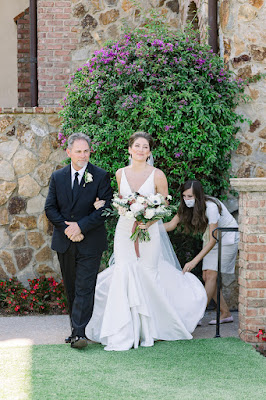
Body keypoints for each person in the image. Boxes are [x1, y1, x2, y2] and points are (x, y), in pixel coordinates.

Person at [85, 132, 207, 351]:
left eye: (145, 147)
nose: (141, 150)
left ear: (149, 152)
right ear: (130, 149)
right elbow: (120, 202)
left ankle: (152, 329)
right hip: (125, 230)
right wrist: (126, 210)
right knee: (124, 272)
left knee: (149, 274)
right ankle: (124, 331)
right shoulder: (120, 173)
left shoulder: (157, 175)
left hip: (149, 232)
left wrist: (149, 222)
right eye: (137, 146)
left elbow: (166, 206)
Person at [45, 132, 112, 349]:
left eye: (86, 151)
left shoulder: (101, 176)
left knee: (85, 286)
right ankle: (75, 329)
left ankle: (79, 333)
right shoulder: (58, 177)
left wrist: (81, 226)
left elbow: (106, 210)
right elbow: (50, 209)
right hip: (65, 240)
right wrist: (69, 229)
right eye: (78, 151)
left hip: (90, 241)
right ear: (69, 152)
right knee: (71, 286)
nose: (83, 155)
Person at [164, 180, 239, 325]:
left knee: (211, 274)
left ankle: (195, 317)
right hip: (212, 237)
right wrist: (149, 227)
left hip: (227, 237)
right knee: (207, 275)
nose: (187, 200)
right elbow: (172, 225)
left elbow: (212, 240)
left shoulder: (211, 207)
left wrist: (194, 261)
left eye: (190, 197)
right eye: (184, 196)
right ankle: (225, 313)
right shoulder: (185, 206)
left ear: (198, 196)